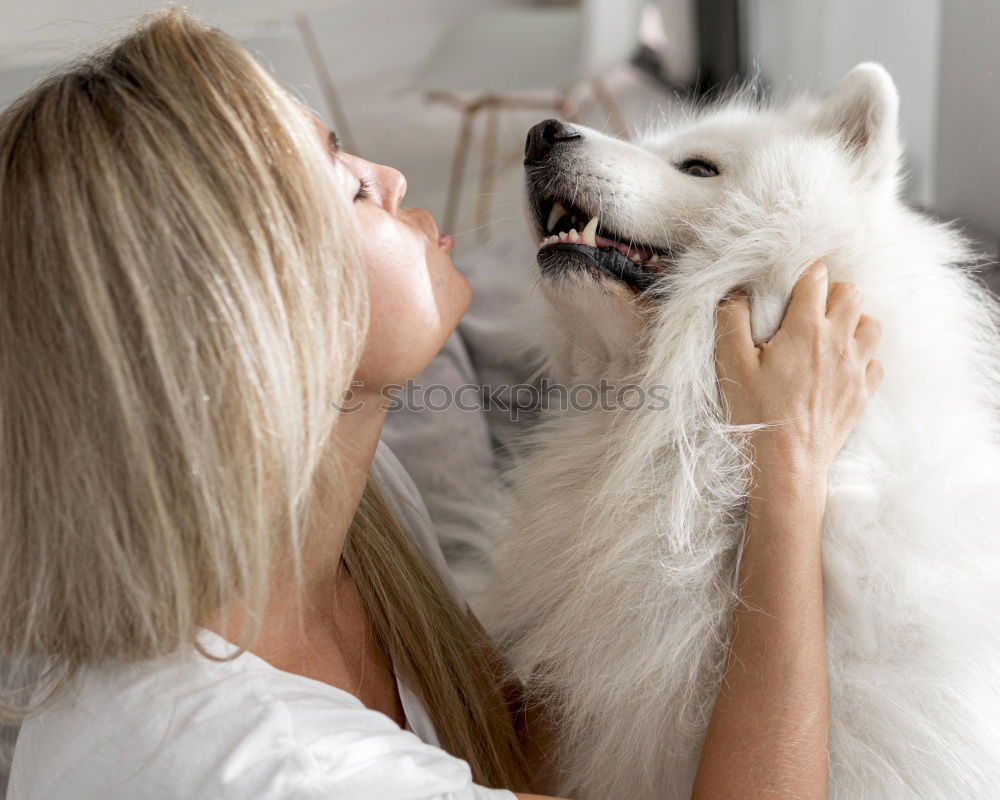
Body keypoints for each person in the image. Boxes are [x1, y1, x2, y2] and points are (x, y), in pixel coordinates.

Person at [0, 9, 882, 799]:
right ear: (243, 306)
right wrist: (786, 464)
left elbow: (513, 740)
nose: (388, 173)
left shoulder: (349, 496)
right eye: (346, 184)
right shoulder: (273, 768)